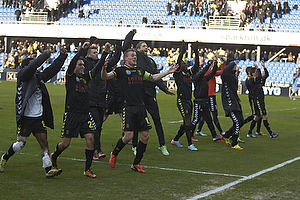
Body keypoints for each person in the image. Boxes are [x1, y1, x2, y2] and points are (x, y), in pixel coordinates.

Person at [101, 48, 179, 173]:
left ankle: (136, 163)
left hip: (141, 107)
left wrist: (168, 72)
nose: (134, 57)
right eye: (132, 56)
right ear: (125, 58)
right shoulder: (120, 71)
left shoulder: (140, 71)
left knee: (145, 136)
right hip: (128, 107)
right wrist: (103, 68)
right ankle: (114, 153)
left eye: (135, 56)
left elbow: (153, 78)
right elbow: (105, 77)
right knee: (128, 136)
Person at [0, 48, 68, 177]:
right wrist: (45, 55)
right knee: (20, 144)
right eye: (33, 65)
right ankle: (5, 157)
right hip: (25, 117)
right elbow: (33, 67)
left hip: (38, 118)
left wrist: (62, 56)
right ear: (26, 67)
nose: (36, 68)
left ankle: (48, 170)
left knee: (44, 144)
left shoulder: (39, 77)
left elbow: (53, 69)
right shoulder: (22, 76)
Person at [50, 41, 111, 178]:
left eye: (83, 64)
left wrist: (105, 53)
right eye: (80, 64)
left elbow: (96, 69)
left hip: (85, 115)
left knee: (91, 139)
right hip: (71, 114)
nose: (82, 66)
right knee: (65, 144)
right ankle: (54, 155)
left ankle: (87, 169)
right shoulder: (71, 77)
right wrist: (82, 51)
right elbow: (72, 64)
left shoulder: (86, 78)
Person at [132, 41, 175, 156]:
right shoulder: (137, 59)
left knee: (157, 119)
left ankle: (162, 145)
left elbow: (156, 77)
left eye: (147, 46)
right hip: (139, 93)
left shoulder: (151, 61)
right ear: (138, 49)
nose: (147, 48)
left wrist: (165, 89)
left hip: (150, 94)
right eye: (144, 46)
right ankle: (135, 146)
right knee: (137, 121)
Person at [171, 41, 199, 151]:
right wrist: (182, 51)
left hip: (188, 100)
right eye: (183, 63)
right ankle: (189, 144)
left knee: (185, 122)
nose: (185, 64)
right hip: (181, 100)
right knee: (188, 121)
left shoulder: (188, 73)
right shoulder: (177, 74)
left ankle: (175, 139)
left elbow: (196, 65)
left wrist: (196, 52)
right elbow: (178, 62)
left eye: (186, 63)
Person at [191, 56, 223, 142]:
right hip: (198, 101)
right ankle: (190, 135)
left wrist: (215, 64)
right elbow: (203, 72)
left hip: (204, 101)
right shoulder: (196, 78)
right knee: (196, 119)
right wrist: (209, 64)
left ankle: (214, 135)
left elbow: (212, 73)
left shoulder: (204, 78)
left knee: (208, 119)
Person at [85, 44, 107, 160]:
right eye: (94, 53)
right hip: (91, 100)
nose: (96, 55)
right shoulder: (87, 64)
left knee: (99, 127)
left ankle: (95, 149)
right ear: (88, 54)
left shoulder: (101, 65)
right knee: (95, 125)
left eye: (97, 52)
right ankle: (96, 149)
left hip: (101, 99)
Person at [246, 61, 279, 138]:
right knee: (264, 116)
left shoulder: (258, 80)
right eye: (255, 72)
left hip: (260, 99)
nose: (256, 73)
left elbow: (266, 75)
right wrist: (258, 69)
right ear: (252, 73)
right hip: (257, 100)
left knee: (257, 116)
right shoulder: (251, 80)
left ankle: (250, 132)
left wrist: (264, 67)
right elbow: (259, 78)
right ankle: (271, 133)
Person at [220, 60, 245, 150]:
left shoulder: (232, 76)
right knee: (237, 122)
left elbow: (234, 89)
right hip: (229, 102)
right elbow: (224, 71)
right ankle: (234, 143)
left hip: (234, 101)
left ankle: (226, 135)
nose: (236, 66)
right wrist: (233, 62)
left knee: (241, 121)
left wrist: (238, 99)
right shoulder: (225, 76)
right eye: (234, 66)